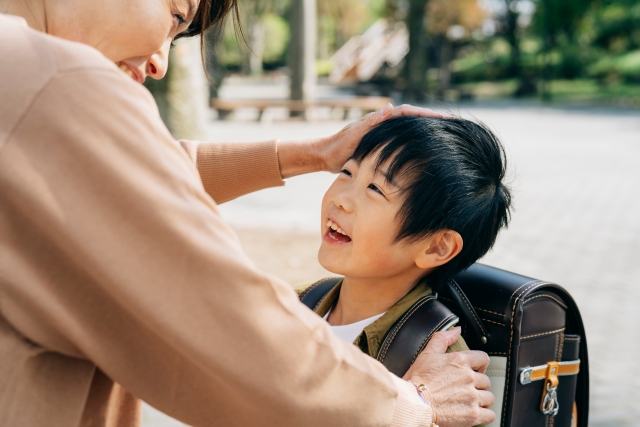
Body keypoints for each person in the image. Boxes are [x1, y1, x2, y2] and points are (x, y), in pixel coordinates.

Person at [0, 0, 495, 426]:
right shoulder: (55, 79)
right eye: (175, 15)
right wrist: (411, 407)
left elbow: (111, 177)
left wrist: (316, 153)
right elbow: (232, 326)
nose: (160, 65)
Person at [297, 115, 511, 362]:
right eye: (347, 172)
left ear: (436, 247)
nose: (341, 199)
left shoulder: (440, 365)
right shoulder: (293, 303)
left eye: (375, 189)